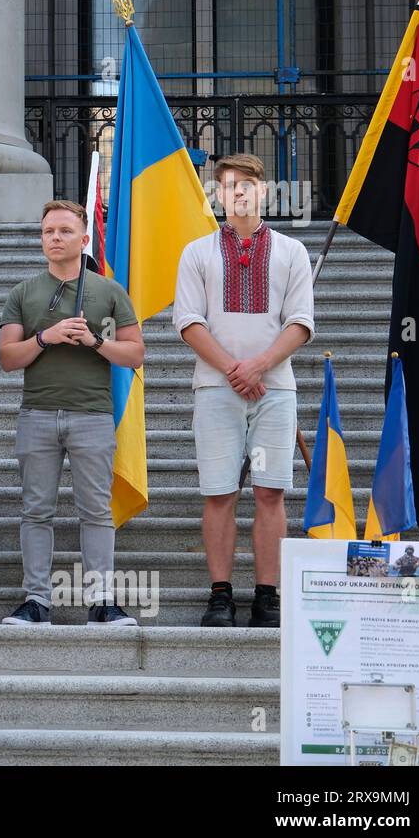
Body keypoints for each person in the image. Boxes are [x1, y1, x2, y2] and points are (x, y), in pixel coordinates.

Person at [173, 152, 314, 628]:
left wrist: (260, 366)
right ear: (217, 194)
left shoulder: (292, 252)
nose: (238, 193)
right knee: (219, 493)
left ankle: (267, 595)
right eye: (228, 185)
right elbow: (188, 322)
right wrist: (236, 369)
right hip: (216, 388)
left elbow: (300, 323)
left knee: (270, 492)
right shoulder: (197, 252)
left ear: (264, 192)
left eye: (246, 185)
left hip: (275, 390)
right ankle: (220, 595)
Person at [0, 200, 145, 626]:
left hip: (92, 414)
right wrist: (46, 337)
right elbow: (8, 357)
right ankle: (38, 600)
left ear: (84, 239)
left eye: (64, 231)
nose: (55, 238)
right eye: (48, 232)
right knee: (36, 509)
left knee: (96, 510)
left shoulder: (109, 291)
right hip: (37, 414)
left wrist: (95, 342)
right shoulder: (23, 292)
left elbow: (135, 354)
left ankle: (102, 600)